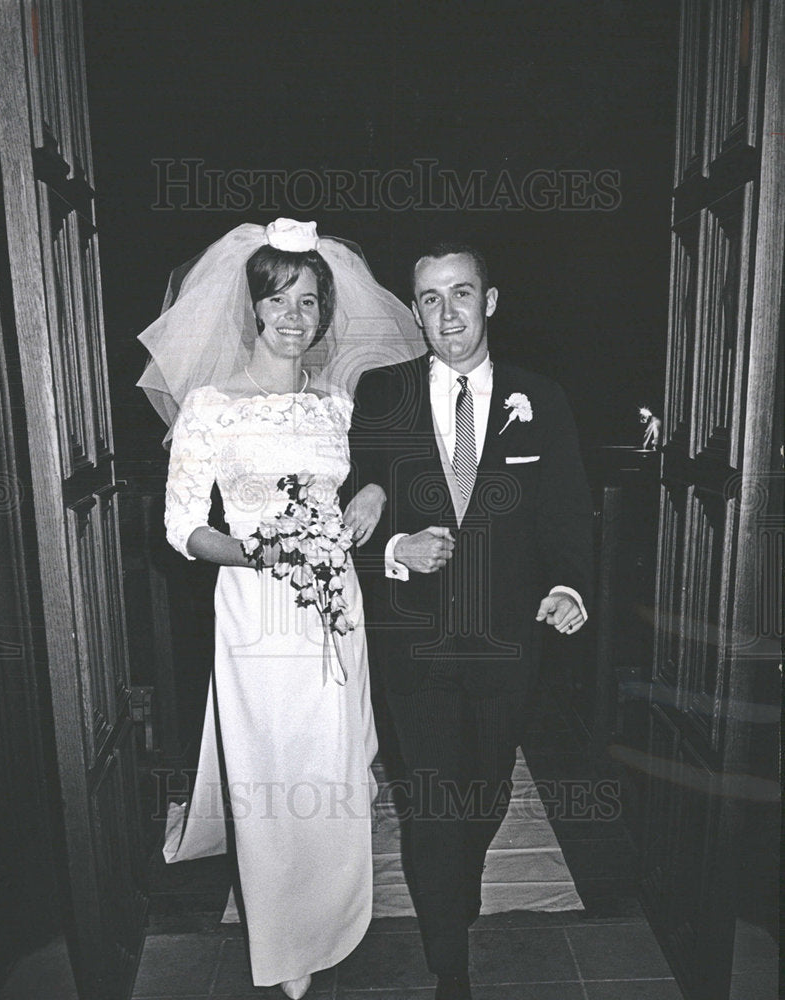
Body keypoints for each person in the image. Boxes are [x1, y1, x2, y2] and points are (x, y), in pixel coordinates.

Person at [137, 219, 425, 998]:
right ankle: (283, 938)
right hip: (256, 610)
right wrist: (256, 553)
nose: (294, 317)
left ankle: (333, 918)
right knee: (272, 770)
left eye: (309, 302)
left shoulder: (335, 404)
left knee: (331, 762)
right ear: (252, 309)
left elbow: (364, 481)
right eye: (279, 300)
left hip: (335, 604)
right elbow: (181, 526)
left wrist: (369, 489)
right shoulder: (209, 407)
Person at [346, 242, 593, 1000]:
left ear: (489, 301)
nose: (445, 313)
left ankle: (459, 885)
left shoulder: (538, 396)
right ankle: (447, 954)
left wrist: (568, 585)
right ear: (413, 308)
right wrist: (393, 546)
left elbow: (565, 509)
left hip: (506, 642)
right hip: (412, 645)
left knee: (481, 795)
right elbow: (354, 495)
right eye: (428, 298)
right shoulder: (380, 392)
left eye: (460, 294)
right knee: (428, 803)